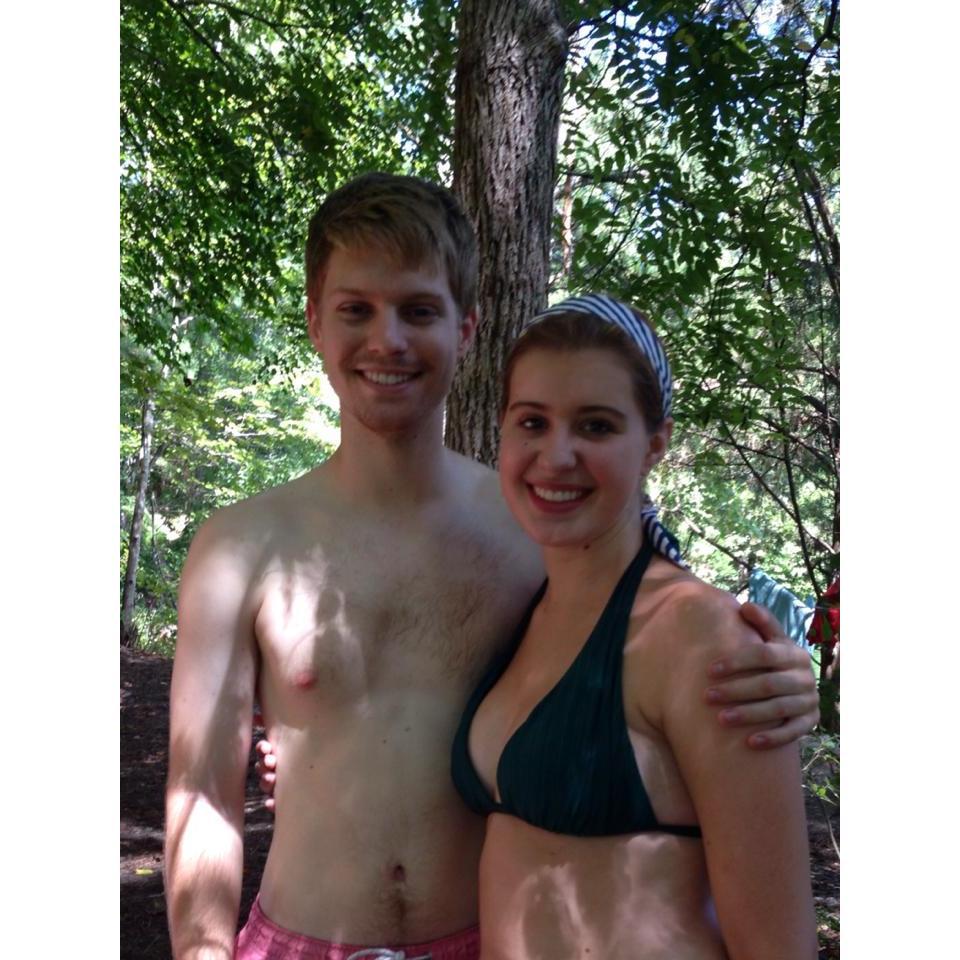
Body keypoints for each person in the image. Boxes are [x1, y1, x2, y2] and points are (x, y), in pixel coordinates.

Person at [165, 172, 819, 960]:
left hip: (485, 940)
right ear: (313, 321)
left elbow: (650, 629)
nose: (388, 340)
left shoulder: (533, 527)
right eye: (356, 309)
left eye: (418, 310)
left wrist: (779, 675)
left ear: (467, 329)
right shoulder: (239, 548)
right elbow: (202, 794)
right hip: (300, 938)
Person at [450, 295, 818, 958]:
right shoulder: (523, 606)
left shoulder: (701, 638)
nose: (556, 455)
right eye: (532, 421)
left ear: (654, 444)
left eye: (595, 426)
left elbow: (778, 945)